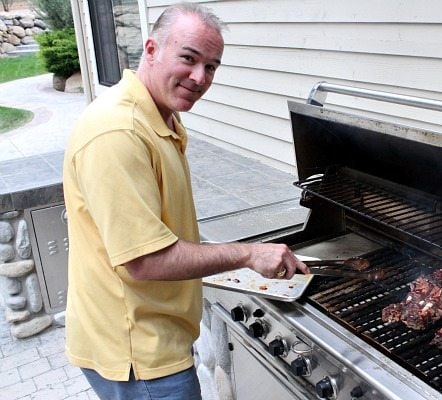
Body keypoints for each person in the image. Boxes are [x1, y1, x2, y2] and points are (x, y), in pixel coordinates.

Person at [62, 3, 309, 399]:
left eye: (211, 66)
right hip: (139, 354)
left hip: (152, 337)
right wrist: (247, 255)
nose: (199, 77)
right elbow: (143, 261)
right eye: (189, 58)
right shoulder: (118, 132)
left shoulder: (160, 119)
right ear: (151, 49)